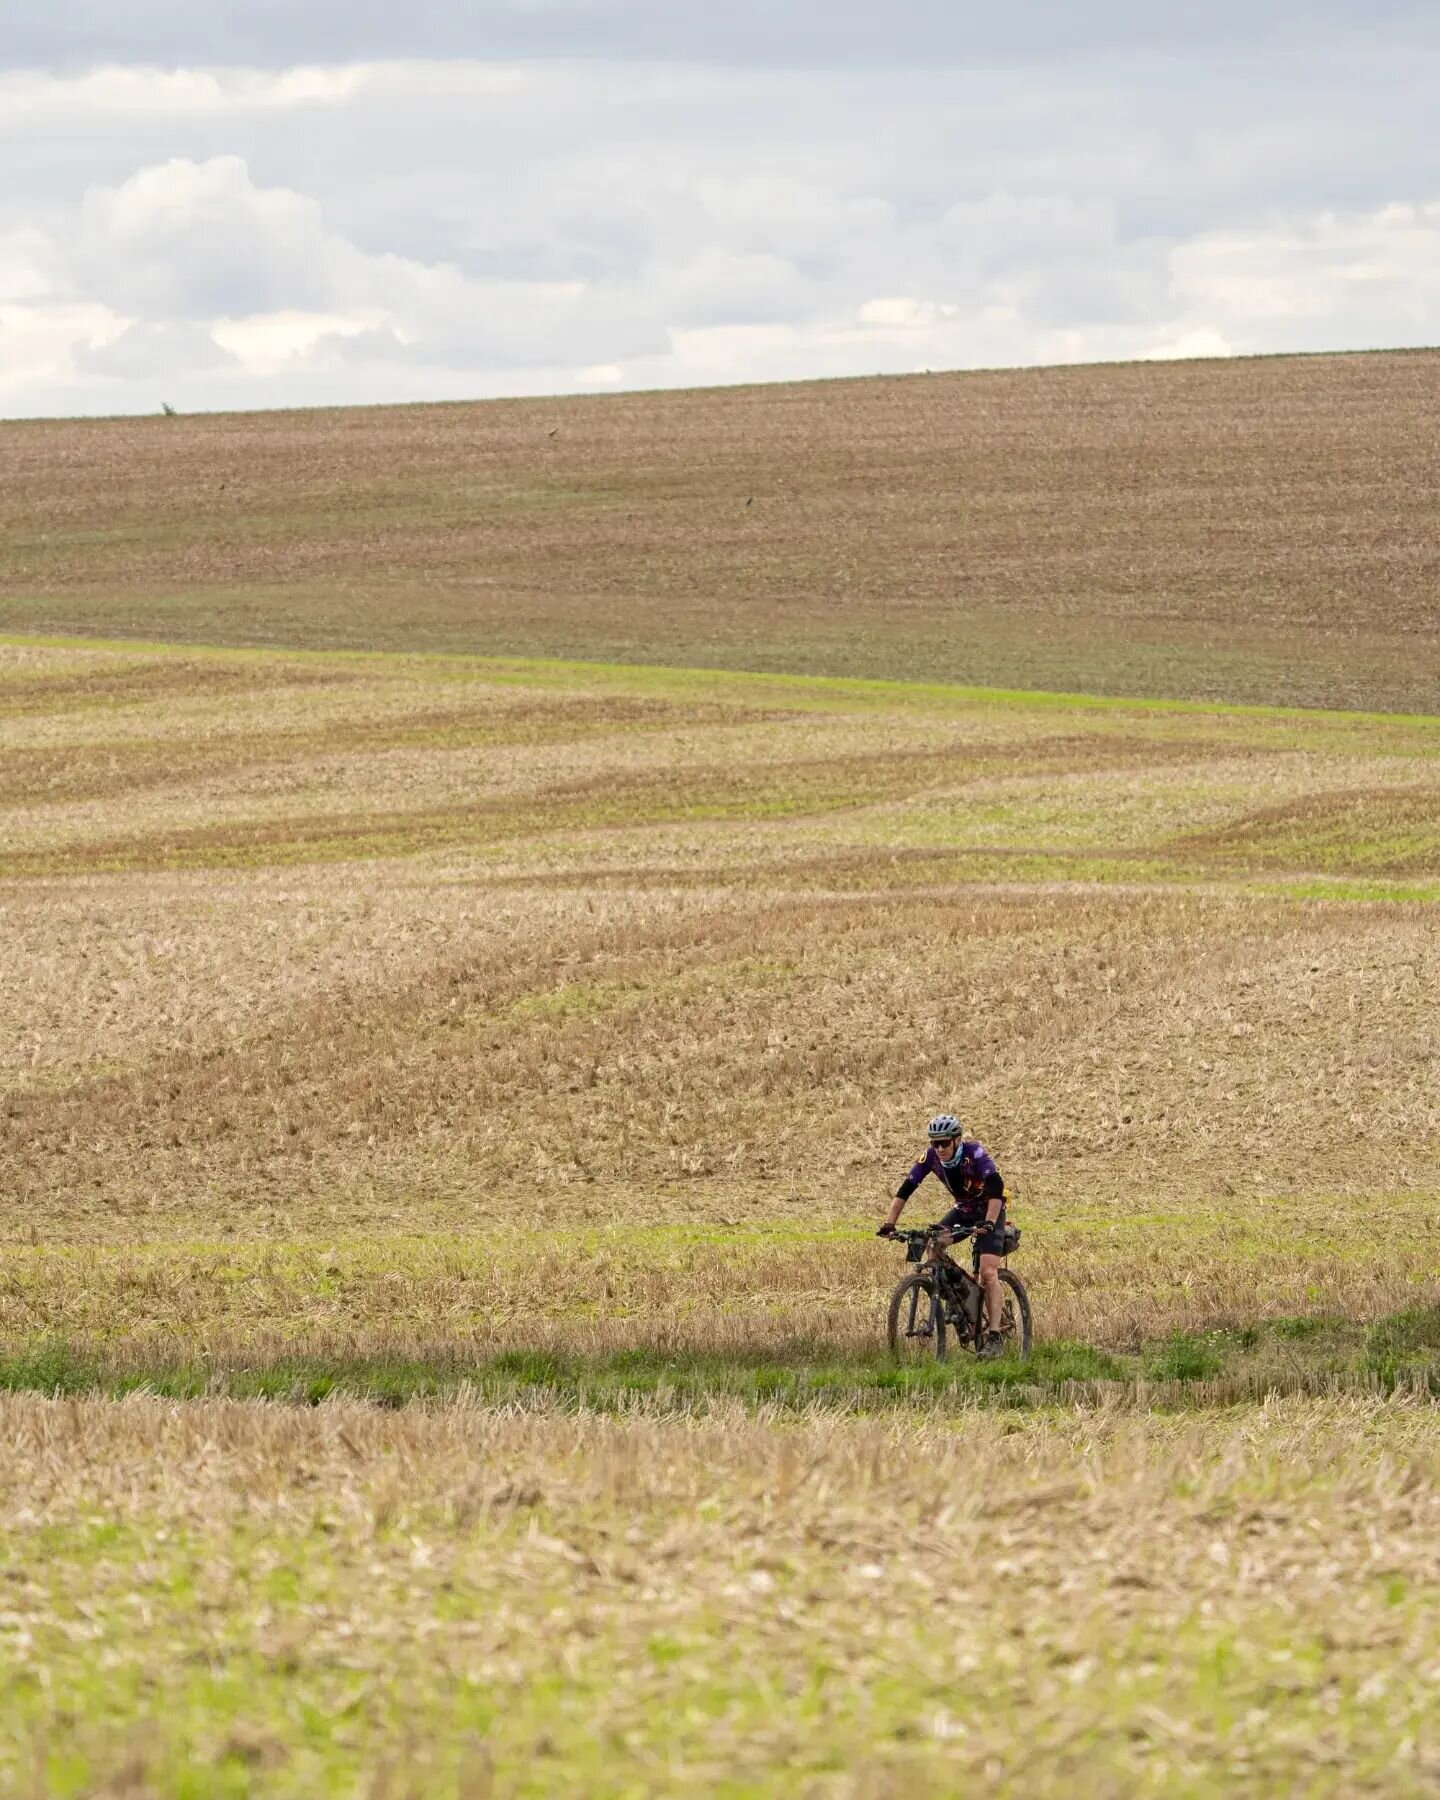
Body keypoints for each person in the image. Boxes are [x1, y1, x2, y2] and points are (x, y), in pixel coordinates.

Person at [877, 1112, 1010, 1358]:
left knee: (988, 1272)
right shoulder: (930, 1158)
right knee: (933, 1245)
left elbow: (995, 1188)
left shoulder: (974, 1153)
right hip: (963, 1211)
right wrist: (889, 1224)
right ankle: (954, 1302)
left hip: (990, 1211)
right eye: (934, 1143)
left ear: (956, 1140)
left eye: (944, 1142)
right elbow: (906, 1188)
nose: (939, 1148)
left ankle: (994, 1336)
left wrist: (990, 1222)